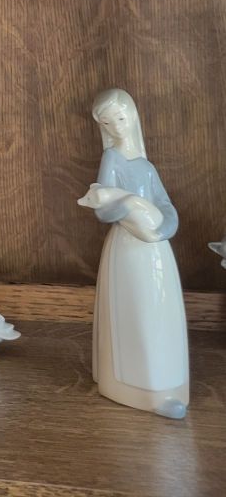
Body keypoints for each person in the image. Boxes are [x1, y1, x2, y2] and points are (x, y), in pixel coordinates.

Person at [85, 88, 188, 418]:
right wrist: (129, 210)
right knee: (135, 313)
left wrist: (163, 229)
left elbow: (165, 204)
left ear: (131, 115)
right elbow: (102, 208)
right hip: (127, 247)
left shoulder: (145, 166)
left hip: (154, 249)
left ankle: (166, 385)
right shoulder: (112, 159)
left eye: (120, 117)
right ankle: (134, 386)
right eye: (107, 122)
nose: (116, 126)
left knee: (160, 313)